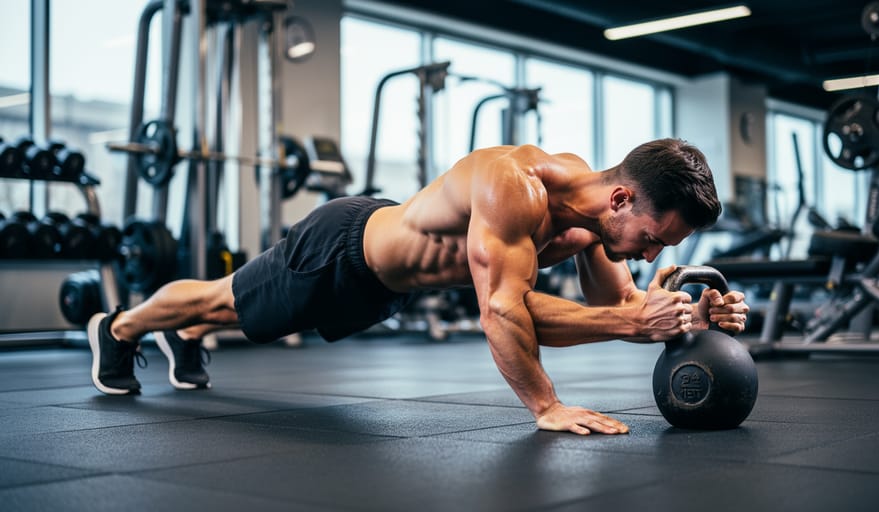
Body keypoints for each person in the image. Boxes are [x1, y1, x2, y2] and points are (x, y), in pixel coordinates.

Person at [88, 138, 749, 436]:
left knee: (246, 317)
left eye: (666, 250)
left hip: (386, 287)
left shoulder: (594, 224)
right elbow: (502, 311)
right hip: (342, 251)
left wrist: (694, 311)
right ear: (623, 196)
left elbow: (623, 309)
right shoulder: (514, 185)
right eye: (654, 238)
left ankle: (189, 340)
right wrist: (547, 407)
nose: (650, 252)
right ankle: (117, 328)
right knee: (221, 298)